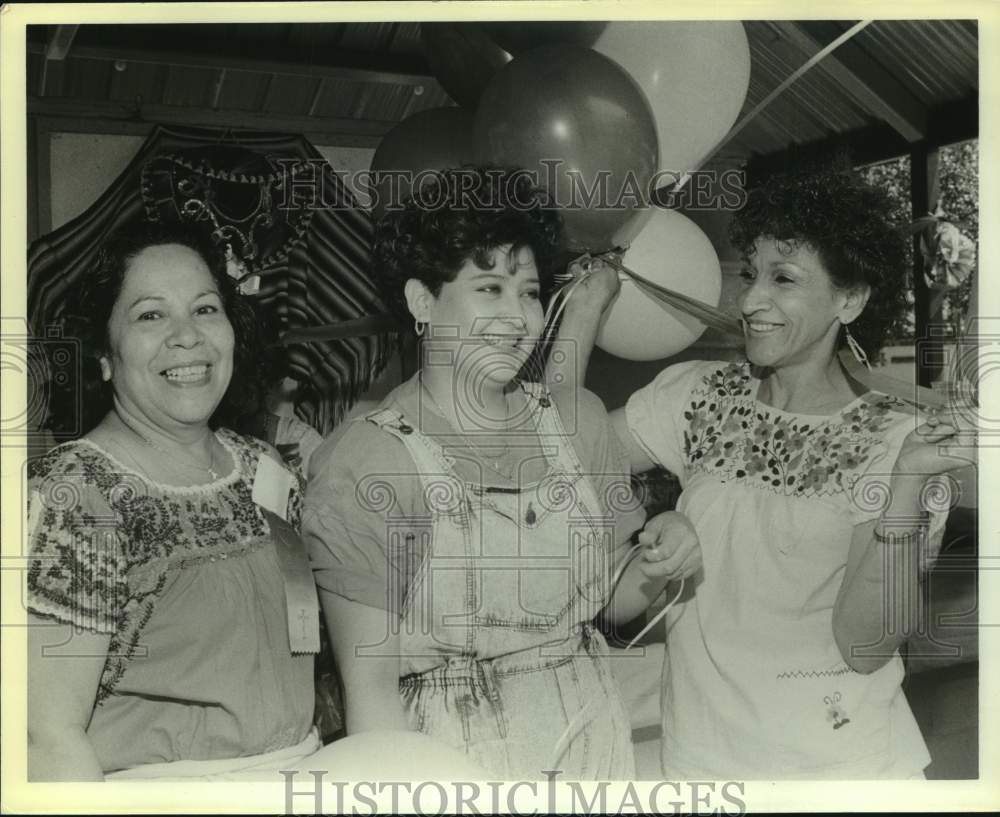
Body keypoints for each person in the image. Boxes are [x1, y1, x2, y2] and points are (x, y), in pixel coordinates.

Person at [557, 168, 977, 779]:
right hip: (704, 763)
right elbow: (555, 457)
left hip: (845, 772)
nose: (751, 300)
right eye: (751, 274)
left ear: (850, 299)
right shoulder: (699, 397)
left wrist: (908, 482)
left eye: (784, 279)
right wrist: (585, 311)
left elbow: (866, 647)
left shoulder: (894, 440)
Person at [302, 167, 700, 780]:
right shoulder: (364, 463)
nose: (520, 318)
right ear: (421, 301)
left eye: (531, 291)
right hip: (446, 764)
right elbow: (372, 693)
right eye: (489, 288)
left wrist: (660, 556)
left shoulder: (581, 422)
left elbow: (616, 605)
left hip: (592, 749)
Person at [25, 220, 321, 780]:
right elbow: (47, 735)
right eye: (150, 314)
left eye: (206, 309)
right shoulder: (78, 495)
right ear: (104, 355)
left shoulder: (264, 469)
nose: (187, 336)